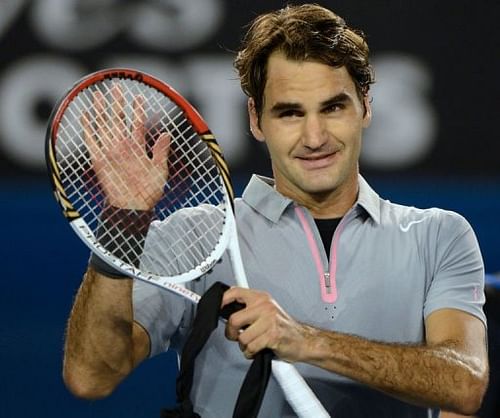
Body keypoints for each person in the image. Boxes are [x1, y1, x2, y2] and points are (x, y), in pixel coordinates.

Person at [62, 4, 489, 417]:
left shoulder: (439, 235)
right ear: (256, 119)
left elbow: (464, 384)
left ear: (366, 106)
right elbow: (92, 377)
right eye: (289, 113)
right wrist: (122, 220)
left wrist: (304, 340)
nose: (315, 136)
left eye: (333, 107)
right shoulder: (196, 238)